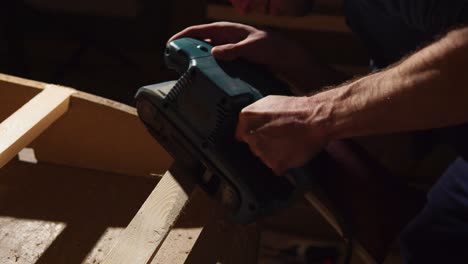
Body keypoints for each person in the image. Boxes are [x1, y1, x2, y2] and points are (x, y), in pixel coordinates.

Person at [169, 0, 468, 262]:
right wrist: (291, 60)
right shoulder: (361, 11)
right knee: (432, 239)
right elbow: (395, 115)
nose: (242, 7)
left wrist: (316, 114)